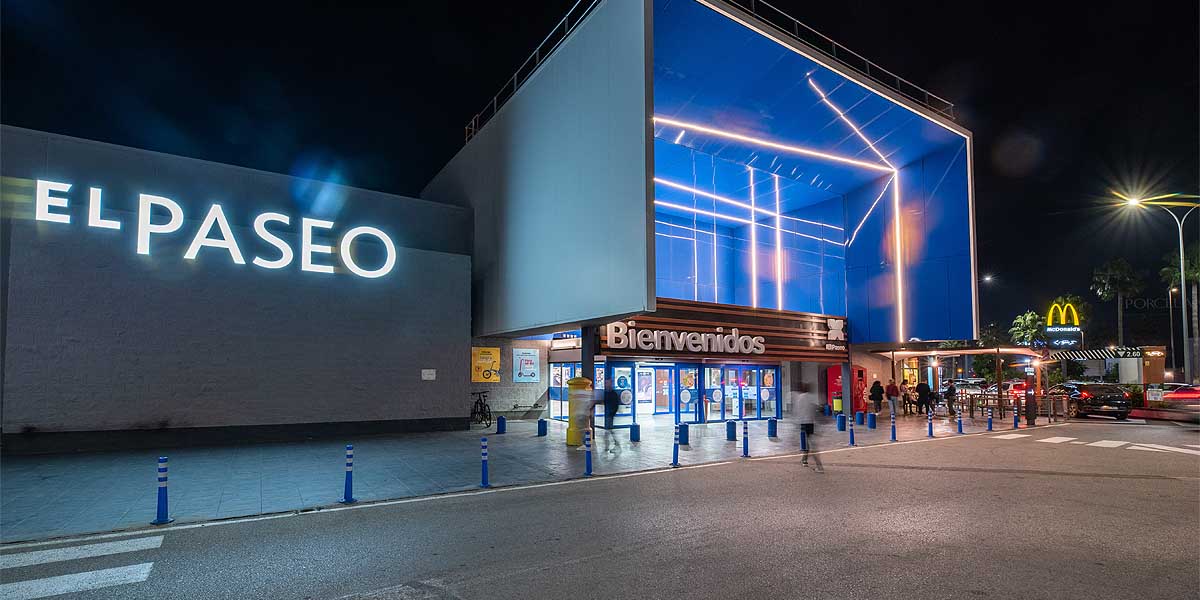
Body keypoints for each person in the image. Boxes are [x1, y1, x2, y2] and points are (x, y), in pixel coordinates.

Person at [794, 386, 823, 473]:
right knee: (808, 442)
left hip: (803, 422)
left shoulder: (800, 398)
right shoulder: (811, 397)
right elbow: (815, 409)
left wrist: (796, 423)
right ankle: (804, 459)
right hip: (811, 422)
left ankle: (819, 466)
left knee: (808, 443)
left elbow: (797, 411)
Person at [602, 385, 621, 452]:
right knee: (608, 430)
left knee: (609, 430)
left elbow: (615, 404)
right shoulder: (607, 393)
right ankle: (608, 445)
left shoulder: (613, 394)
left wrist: (612, 413)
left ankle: (615, 444)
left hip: (610, 414)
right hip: (608, 414)